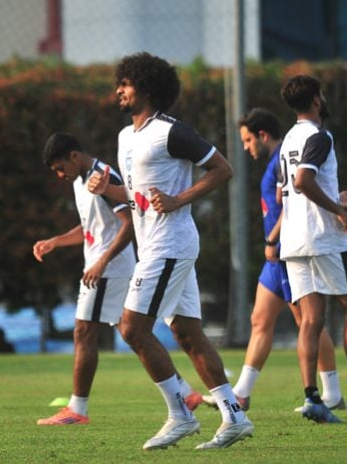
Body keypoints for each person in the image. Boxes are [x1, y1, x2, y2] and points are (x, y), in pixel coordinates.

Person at [88, 52, 253, 449]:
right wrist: (108, 190)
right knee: (187, 333)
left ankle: (181, 415)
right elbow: (137, 195)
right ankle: (235, 417)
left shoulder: (171, 132)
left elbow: (223, 169)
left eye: (125, 84)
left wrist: (179, 199)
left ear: (146, 87)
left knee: (132, 328)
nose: (118, 91)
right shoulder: (126, 137)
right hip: (155, 247)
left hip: (170, 244)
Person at [203, 107, 347, 413]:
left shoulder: (282, 157)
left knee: (308, 320)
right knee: (260, 319)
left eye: (248, 140)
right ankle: (242, 393)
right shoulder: (278, 159)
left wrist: (272, 239)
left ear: (263, 135)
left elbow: (289, 203)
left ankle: (332, 392)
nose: (246, 147)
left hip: (287, 250)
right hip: (276, 256)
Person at [278, 75, 347, 424]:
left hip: (294, 240)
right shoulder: (320, 136)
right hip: (325, 238)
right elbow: (303, 181)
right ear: (316, 99)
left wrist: (334, 197)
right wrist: (339, 211)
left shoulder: (288, 140)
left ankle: (312, 398)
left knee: (311, 320)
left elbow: (290, 189)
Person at [33, 132, 139, 425]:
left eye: (60, 168)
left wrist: (102, 262)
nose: (59, 175)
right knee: (133, 333)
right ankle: (183, 393)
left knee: (83, 332)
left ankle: (77, 409)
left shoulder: (103, 177)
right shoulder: (80, 181)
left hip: (107, 270)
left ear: (74, 156)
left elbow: (128, 224)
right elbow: (91, 228)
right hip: (104, 268)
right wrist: (56, 241)